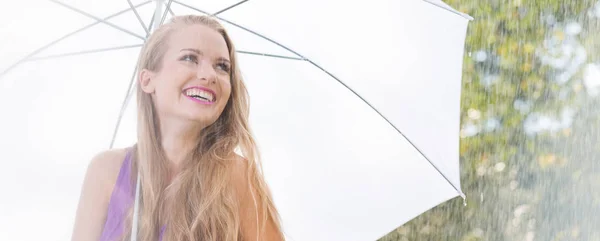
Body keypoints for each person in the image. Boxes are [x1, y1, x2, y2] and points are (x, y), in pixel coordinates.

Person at [71, 15, 284, 241]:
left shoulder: (239, 177)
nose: (209, 75)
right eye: (190, 58)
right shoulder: (106, 171)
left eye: (222, 66)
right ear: (147, 80)